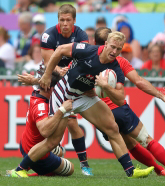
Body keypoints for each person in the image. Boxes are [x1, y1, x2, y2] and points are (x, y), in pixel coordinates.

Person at [10, 31, 154, 178]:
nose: (114, 51)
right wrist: (47, 75)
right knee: (53, 141)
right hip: (63, 93)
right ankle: (20, 169)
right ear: (105, 44)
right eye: (112, 47)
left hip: (83, 95)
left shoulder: (115, 68)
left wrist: (106, 87)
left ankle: (130, 171)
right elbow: (59, 50)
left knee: (112, 127)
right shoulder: (87, 50)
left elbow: (120, 99)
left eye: (118, 49)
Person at [94, 27, 165, 177]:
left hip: (101, 114)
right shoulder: (119, 61)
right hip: (119, 109)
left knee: (131, 144)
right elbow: (138, 81)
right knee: (147, 140)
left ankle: (159, 170)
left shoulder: (86, 58)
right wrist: (161, 95)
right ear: (107, 43)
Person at [39, 4, 93, 176]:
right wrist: (57, 72)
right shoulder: (48, 35)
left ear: (74, 21)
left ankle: (84, 164)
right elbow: (49, 63)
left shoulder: (81, 35)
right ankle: (55, 152)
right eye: (61, 20)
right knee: (55, 120)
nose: (64, 23)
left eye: (68, 20)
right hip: (51, 79)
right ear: (58, 21)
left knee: (70, 121)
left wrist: (67, 71)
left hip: (72, 79)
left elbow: (82, 59)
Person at [8, 71, 74, 177]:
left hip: (26, 142)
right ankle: (20, 170)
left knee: (60, 151)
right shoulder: (41, 106)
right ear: (51, 89)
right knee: (70, 168)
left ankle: (24, 168)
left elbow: (46, 80)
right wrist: (62, 110)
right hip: (34, 149)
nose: (61, 91)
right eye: (58, 88)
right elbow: (45, 131)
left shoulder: (38, 93)